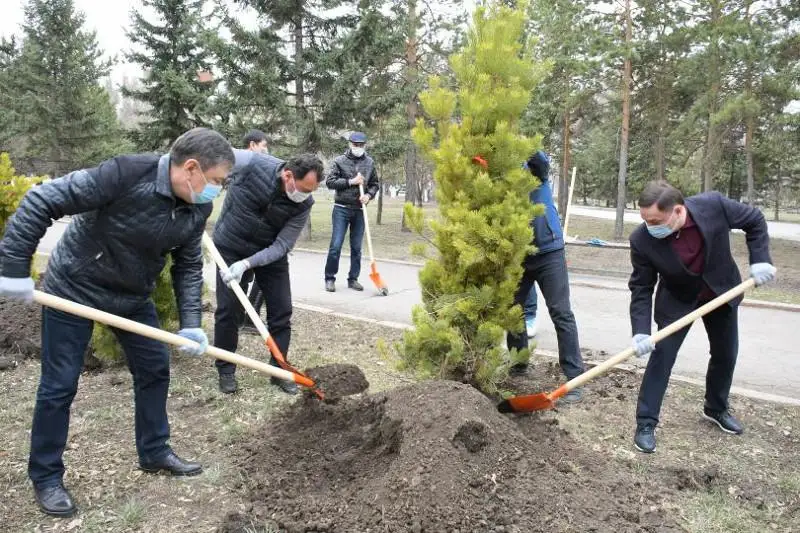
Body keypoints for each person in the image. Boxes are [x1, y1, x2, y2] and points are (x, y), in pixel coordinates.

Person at [0, 128, 235, 517]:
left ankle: (154, 451)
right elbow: (43, 199)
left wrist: (191, 321)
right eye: (215, 182)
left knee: (155, 369)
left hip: (130, 295)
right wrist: (12, 268)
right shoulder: (124, 174)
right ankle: (46, 476)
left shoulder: (197, 205)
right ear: (191, 168)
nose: (216, 191)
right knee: (59, 385)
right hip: (73, 289)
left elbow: (189, 263)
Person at [628, 181, 776, 454]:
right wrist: (640, 329)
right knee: (662, 359)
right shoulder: (641, 239)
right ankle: (646, 422)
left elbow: (755, 220)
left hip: (720, 291)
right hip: (677, 302)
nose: (650, 226)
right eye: (645, 220)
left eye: (656, 220)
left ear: (678, 211)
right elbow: (641, 286)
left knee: (726, 354)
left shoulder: (713, 206)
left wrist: (760, 259)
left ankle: (716, 408)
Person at [211, 151, 324, 395]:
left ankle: (279, 370)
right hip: (229, 245)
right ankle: (226, 369)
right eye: (304, 188)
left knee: (282, 311)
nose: (305, 196)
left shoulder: (304, 204)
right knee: (228, 310)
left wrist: (247, 264)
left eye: (311, 191)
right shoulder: (252, 163)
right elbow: (213, 156)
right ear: (288, 175)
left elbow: (282, 246)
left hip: (268, 253)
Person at [507, 151, 585, 403]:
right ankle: (519, 364)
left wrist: (524, 145)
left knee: (561, 313)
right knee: (512, 310)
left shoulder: (533, 169)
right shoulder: (499, 173)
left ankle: (574, 381)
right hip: (518, 253)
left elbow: (541, 161)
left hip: (549, 251)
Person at [324, 131, 380, 292]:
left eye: (361, 145)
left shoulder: (369, 162)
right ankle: (329, 278)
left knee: (356, 248)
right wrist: (351, 181)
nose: (358, 147)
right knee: (335, 246)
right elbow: (330, 182)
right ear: (350, 144)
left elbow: (375, 184)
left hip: (359, 210)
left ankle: (353, 279)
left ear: (364, 145)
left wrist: (369, 195)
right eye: (355, 145)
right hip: (341, 209)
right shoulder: (339, 161)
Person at [236, 129, 270, 334]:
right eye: (263, 145)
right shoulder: (248, 167)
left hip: (249, 229)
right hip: (249, 230)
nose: (266, 150)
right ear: (252, 145)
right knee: (261, 274)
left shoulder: (246, 165)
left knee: (247, 276)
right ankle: (248, 318)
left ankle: (243, 317)